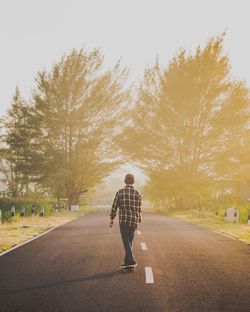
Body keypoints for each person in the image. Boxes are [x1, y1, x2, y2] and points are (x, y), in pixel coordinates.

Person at [109, 173, 142, 267]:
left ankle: (131, 260)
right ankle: (126, 261)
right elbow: (139, 208)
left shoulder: (120, 192)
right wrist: (139, 218)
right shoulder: (137, 193)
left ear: (125, 181)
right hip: (133, 220)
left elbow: (114, 206)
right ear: (133, 181)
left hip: (123, 220)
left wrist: (112, 218)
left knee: (126, 241)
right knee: (129, 241)